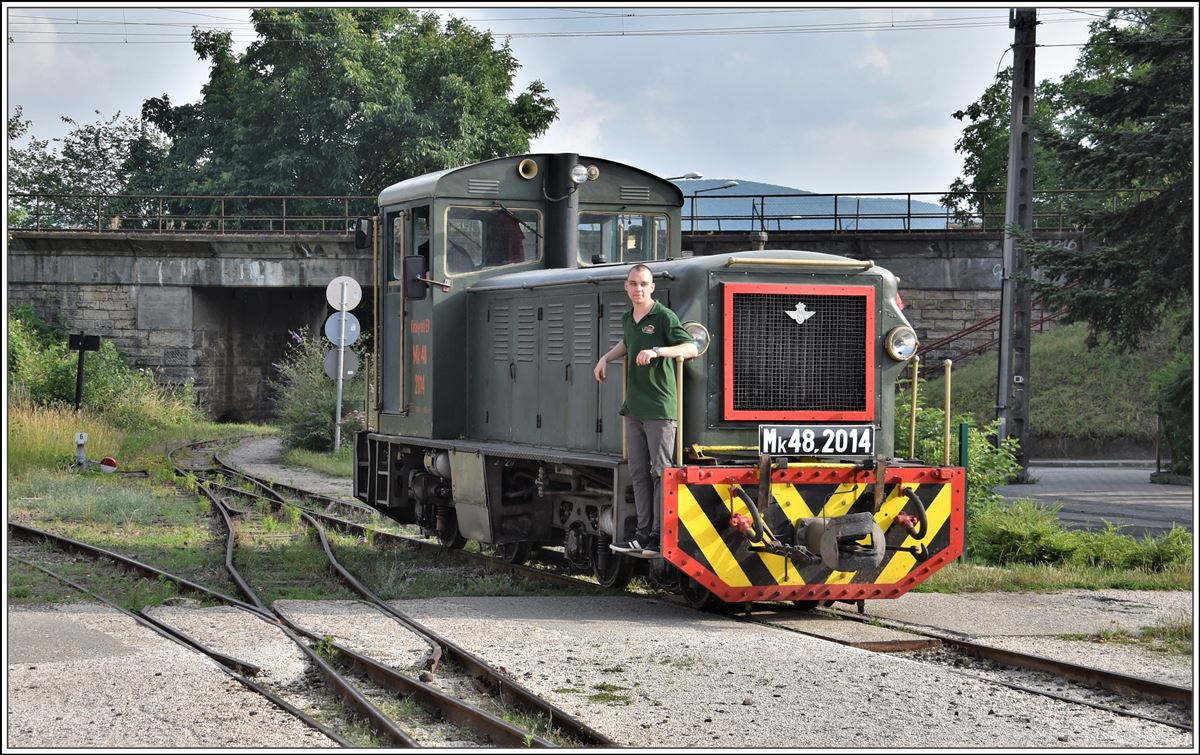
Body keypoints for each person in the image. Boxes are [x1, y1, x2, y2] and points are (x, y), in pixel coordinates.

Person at [593, 264, 698, 556]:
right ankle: (641, 535)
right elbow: (628, 342)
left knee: (659, 472)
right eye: (633, 283)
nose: (638, 288)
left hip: (660, 407)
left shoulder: (664, 316)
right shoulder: (629, 318)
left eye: (643, 284)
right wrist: (605, 358)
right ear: (626, 287)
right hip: (634, 407)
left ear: (652, 287)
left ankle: (657, 537)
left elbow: (690, 347)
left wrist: (657, 351)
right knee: (638, 472)